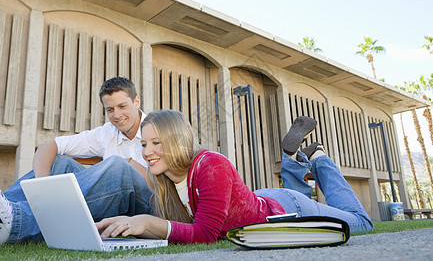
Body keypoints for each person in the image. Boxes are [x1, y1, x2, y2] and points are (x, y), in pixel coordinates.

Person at [95, 110, 373, 244]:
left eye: (157, 143)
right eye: (144, 144)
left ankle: (319, 159)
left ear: (178, 141)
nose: (148, 152)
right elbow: (177, 228)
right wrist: (126, 226)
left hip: (285, 209)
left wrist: (147, 222)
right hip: (256, 201)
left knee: (361, 222)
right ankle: (292, 159)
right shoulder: (162, 180)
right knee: (300, 194)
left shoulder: (211, 165)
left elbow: (205, 233)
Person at [0, 77, 153, 245]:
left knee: (118, 167)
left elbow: (169, 183)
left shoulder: (158, 127)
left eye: (122, 106)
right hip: (113, 201)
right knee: (61, 163)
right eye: (110, 109)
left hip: (148, 206)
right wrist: (43, 182)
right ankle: (5, 209)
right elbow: (50, 146)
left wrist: (128, 163)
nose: (116, 115)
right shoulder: (106, 133)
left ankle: (17, 223)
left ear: (136, 101)